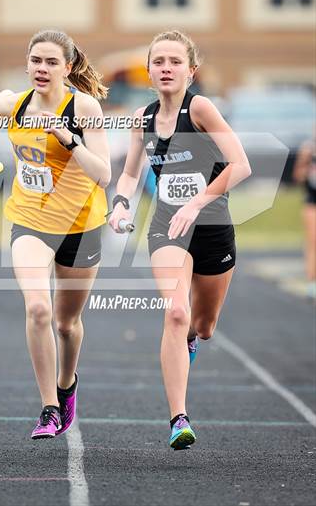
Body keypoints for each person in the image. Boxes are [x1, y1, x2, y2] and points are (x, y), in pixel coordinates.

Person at [109, 30, 251, 450]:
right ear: (149, 71)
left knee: (203, 327)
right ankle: (178, 419)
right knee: (174, 312)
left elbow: (240, 165)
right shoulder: (142, 118)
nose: (166, 68)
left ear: (191, 71)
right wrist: (120, 204)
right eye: (159, 61)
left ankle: (191, 338)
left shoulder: (201, 108)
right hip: (167, 227)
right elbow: (132, 173)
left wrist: (199, 201)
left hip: (212, 228)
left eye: (174, 61)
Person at [0, 30, 111, 438]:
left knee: (67, 325)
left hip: (81, 226)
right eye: (35, 61)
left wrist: (67, 139)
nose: (41, 69)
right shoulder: (13, 103)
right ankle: (49, 407)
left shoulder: (82, 107)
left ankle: (67, 386)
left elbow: (104, 174)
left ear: (68, 68)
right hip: (30, 220)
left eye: (51, 62)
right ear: (27, 63)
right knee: (38, 310)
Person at [293, 135, 316, 300]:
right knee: (313, 243)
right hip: (312, 203)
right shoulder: (308, 149)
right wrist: (306, 165)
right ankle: (312, 283)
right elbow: (298, 177)